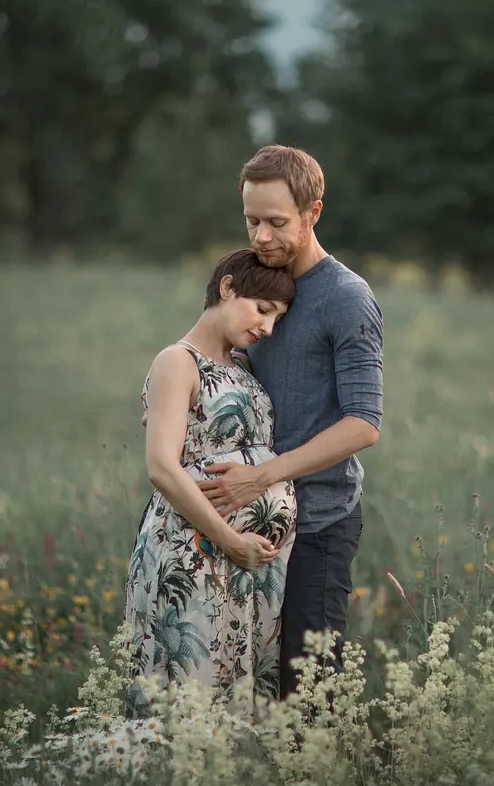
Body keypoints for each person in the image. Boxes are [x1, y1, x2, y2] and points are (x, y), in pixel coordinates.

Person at [195, 144, 384, 697]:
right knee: (243, 691)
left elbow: (364, 424)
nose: (261, 238)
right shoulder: (254, 282)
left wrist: (265, 474)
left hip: (320, 525)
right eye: (252, 221)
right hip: (246, 526)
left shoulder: (347, 298)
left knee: (308, 696)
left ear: (313, 213)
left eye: (277, 223)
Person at [124, 248, 299, 719]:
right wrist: (229, 539)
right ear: (226, 288)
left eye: (277, 318)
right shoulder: (176, 361)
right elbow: (162, 467)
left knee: (237, 707)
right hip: (193, 554)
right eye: (263, 310)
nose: (268, 327)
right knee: (185, 704)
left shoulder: (242, 365)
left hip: (246, 570)